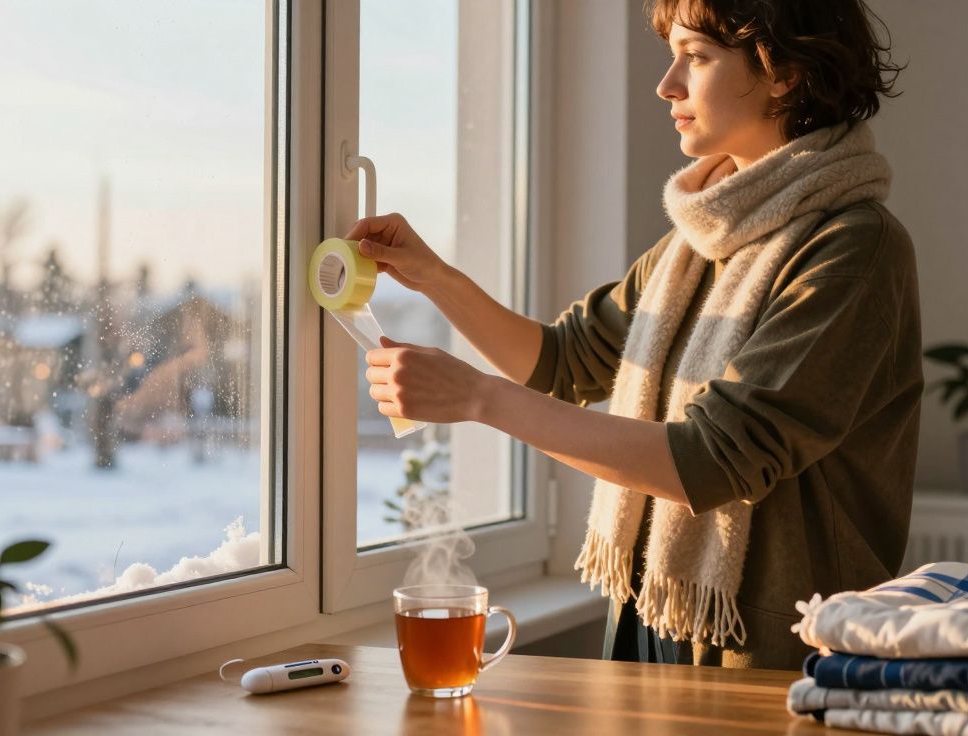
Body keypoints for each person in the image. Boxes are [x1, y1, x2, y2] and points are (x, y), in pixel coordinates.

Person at [346, 0, 920, 670]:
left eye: (697, 57)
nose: (667, 83)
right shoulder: (695, 242)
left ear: (783, 71)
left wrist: (478, 399)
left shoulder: (855, 248)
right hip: (650, 615)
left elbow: (714, 459)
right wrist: (432, 275)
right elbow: (565, 360)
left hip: (772, 649)